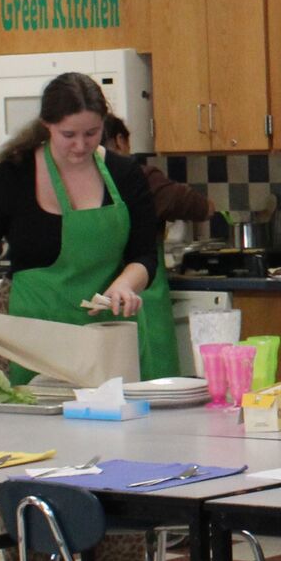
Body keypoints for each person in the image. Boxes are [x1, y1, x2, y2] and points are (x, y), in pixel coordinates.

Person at [0, 73, 159, 386]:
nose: (81, 145)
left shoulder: (125, 174)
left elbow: (143, 254)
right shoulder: (11, 176)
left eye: (91, 133)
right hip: (32, 340)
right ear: (47, 125)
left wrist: (125, 286)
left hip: (108, 337)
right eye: (69, 135)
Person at [104, 114, 215, 379]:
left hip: (96, 301)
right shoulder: (142, 177)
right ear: (120, 141)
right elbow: (201, 207)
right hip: (143, 296)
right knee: (155, 390)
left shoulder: (70, 177)